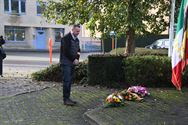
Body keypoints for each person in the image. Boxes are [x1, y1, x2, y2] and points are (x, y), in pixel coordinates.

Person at [60, 25, 81, 106]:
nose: (78, 33)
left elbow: (78, 50)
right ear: (72, 30)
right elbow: (66, 51)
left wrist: (77, 59)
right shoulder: (66, 38)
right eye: (77, 31)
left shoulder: (77, 40)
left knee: (69, 81)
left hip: (72, 64)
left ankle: (68, 98)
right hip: (66, 63)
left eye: (79, 31)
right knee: (66, 81)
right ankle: (66, 99)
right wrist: (73, 59)